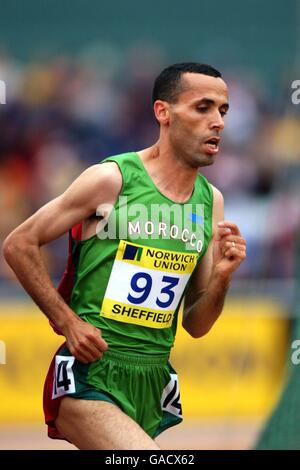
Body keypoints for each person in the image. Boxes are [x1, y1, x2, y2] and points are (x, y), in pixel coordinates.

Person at [3, 62, 246, 450]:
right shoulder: (111, 179)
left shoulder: (210, 202)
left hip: (150, 380)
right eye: (203, 108)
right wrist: (67, 322)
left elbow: (196, 325)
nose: (217, 121)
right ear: (163, 113)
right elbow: (19, 244)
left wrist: (222, 277)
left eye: (223, 110)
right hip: (90, 373)